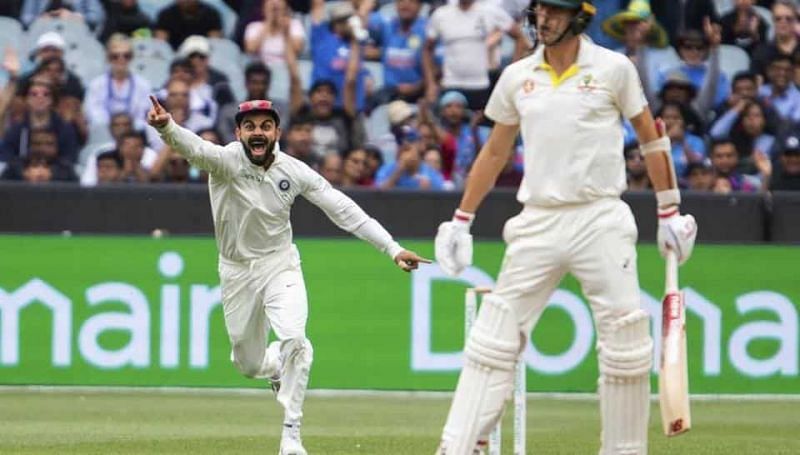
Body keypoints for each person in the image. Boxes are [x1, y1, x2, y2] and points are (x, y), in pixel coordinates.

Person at [432, 1, 698, 453]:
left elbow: (651, 136)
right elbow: (495, 153)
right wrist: (461, 219)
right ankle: (456, 447)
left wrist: (669, 209)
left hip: (600, 216)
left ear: (578, 17)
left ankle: (623, 450)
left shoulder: (614, 68)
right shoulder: (518, 76)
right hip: (537, 219)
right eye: (539, 11)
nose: (544, 20)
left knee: (626, 343)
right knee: (492, 339)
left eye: (554, 12)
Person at [146, 96, 429, 455]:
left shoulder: (294, 171)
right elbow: (195, 148)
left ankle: (291, 436)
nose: (258, 132)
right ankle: (274, 366)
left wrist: (392, 248)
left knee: (296, 339)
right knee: (248, 365)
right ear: (239, 132)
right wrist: (166, 127)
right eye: (250, 127)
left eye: (265, 126)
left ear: (277, 131)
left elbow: (343, 209)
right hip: (235, 272)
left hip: (280, 264)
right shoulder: (224, 162)